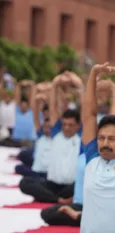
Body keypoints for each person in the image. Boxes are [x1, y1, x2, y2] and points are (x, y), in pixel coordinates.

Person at [80, 65, 115, 233]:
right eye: (101, 138)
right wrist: (93, 74)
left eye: (112, 139)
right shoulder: (92, 157)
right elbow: (89, 115)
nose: (105, 143)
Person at [19, 73, 83, 204]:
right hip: (52, 185)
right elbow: (53, 108)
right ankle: (59, 200)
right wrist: (55, 83)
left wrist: (79, 86)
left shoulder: (81, 138)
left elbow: (86, 111)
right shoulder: (56, 134)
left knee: (83, 186)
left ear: (78, 126)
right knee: (25, 183)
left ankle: (52, 198)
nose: (66, 127)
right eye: (64, 124)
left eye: (70, 125)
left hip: (70, 187)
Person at [40, 153, 86, 226]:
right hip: (66, 189)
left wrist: (77, 215)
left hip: (93, 207)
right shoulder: (82, 156)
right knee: (49, 212)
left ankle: (81, 217)